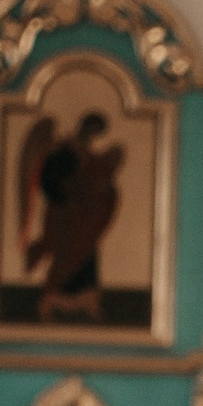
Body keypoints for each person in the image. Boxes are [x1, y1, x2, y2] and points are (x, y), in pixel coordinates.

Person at [19, 111, 124, 321]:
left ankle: (88, 300)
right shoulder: (62, 151)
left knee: (86, 256)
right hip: (63, 216)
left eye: (96, 132)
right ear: (83, 127)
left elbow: (100, 184)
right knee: (65, 254)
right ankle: (51, 299)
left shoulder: (91, 157)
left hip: (84, 219)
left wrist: (104, 191)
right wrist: (69, 194)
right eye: (90, 129)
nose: (91, 135)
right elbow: (50, 181)